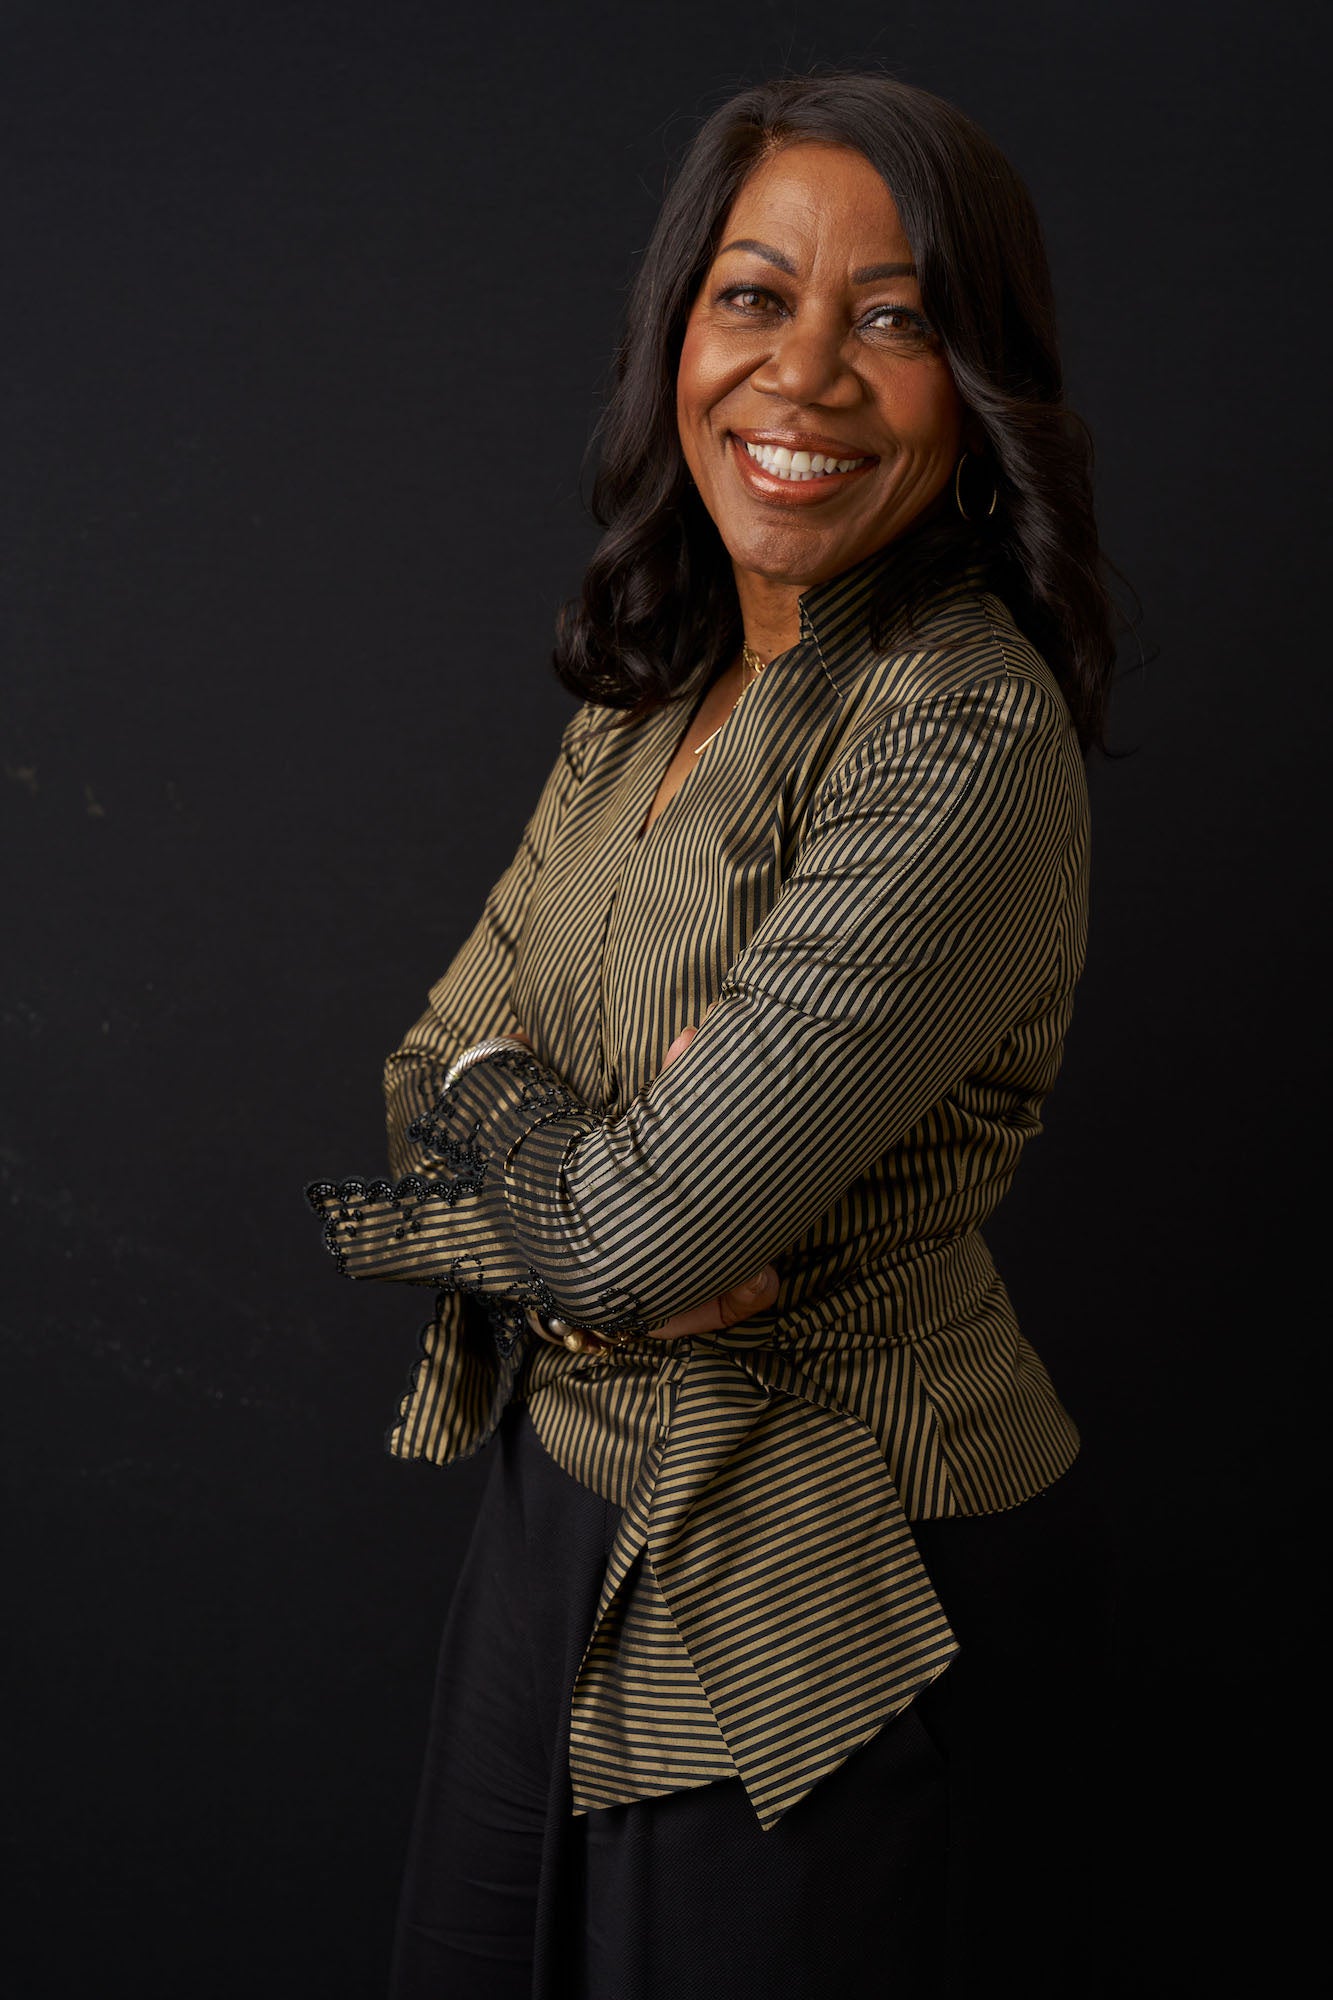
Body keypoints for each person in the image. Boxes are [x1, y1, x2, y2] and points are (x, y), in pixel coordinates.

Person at [306, 71, 1121, 2000]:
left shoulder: (959, 731)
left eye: (891, 319)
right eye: (753, 297)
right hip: (556, 1500)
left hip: (813, 1562)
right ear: (679, 331)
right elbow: (429, 1068)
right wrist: (558, 1147)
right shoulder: (656, 686)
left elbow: (631, 1242)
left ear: (975, 384)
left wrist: (594, 1208)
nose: (803, 374)